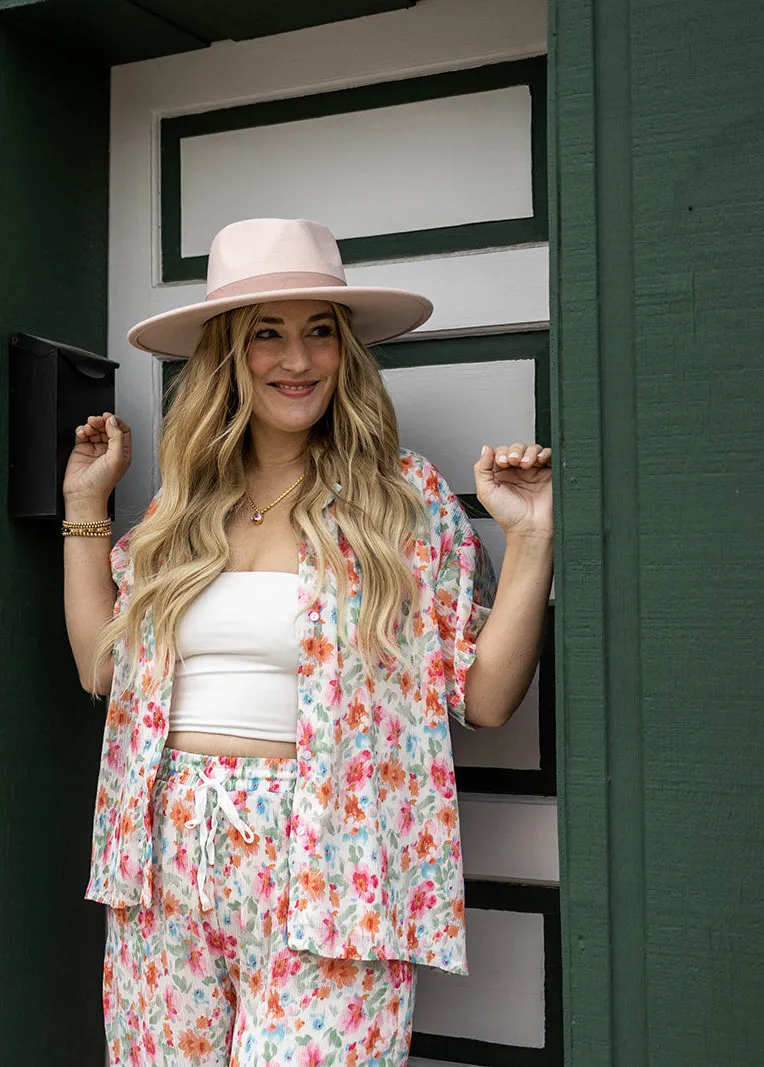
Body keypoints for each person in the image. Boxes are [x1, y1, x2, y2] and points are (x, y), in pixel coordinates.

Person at [61, 218, 552, 1065]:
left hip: (332, 870)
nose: (299, 359)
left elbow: (487, 699)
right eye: (268, 335)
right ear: (225, 355)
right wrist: (85, 507)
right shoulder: (181, 507)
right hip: (166, 867)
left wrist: (534, 537)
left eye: (320, 331)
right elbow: (97, 666)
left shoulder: (401, 497)